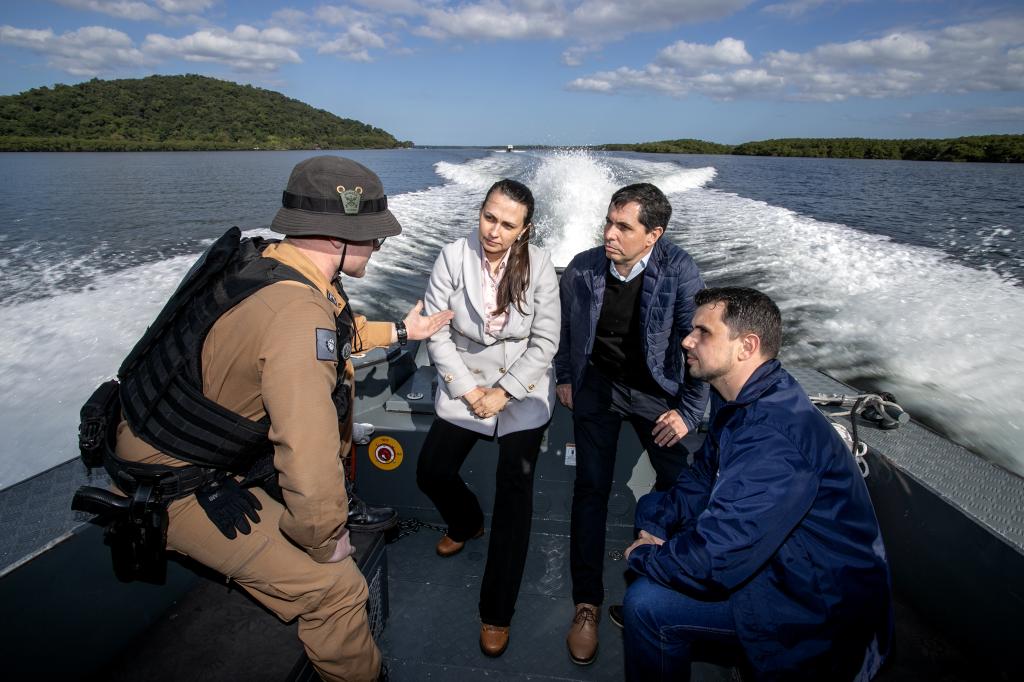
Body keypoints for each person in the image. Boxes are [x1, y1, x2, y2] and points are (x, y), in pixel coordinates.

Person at [90, 156, 453, 681]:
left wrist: (400, 332)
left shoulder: (269, 265)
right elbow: (305, 449)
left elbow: (335, 333)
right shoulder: (297, 313)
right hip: (174, 483)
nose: (379, 245)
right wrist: (327, 539)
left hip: (175, 446)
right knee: (338, 592)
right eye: (371, 236)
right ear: (337, 237)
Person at [622, 287, 893, 681]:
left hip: (814, 603)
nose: (687, 340)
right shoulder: (743, 402)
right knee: (657, 528)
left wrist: (643, 556)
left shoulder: (773, 437)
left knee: (647, 605)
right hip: (779, 567)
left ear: (746, 346)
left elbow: (715, 561)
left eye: (703, 332)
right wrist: (656, 524)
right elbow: (701, 479)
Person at [553, 182, 708, 665]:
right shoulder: (582, 267)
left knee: (682, 482)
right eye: (608, 222)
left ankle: (667, 580)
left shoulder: (680, 272)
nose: (609, 234)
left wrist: (687, 412)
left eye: (624, 227)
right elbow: (564, 326)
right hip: (596, 387)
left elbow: (697, 343)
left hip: (652, 392)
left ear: (653, 235)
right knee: (590, 489)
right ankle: (586, 604)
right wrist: (564, 376)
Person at [416, 179, 559, 658]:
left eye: (507, 224)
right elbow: (436, 333)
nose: (494, 231)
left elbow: (544, 343)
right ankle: (467, 522)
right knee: (432, 470)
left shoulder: (539, 266)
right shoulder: (452, 257)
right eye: (489, 217)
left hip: (522, 389)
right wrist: (469, 389)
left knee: (514, 495)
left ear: (525, 230)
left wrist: (503, 393)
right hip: (466, 380)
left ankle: (496, 612)